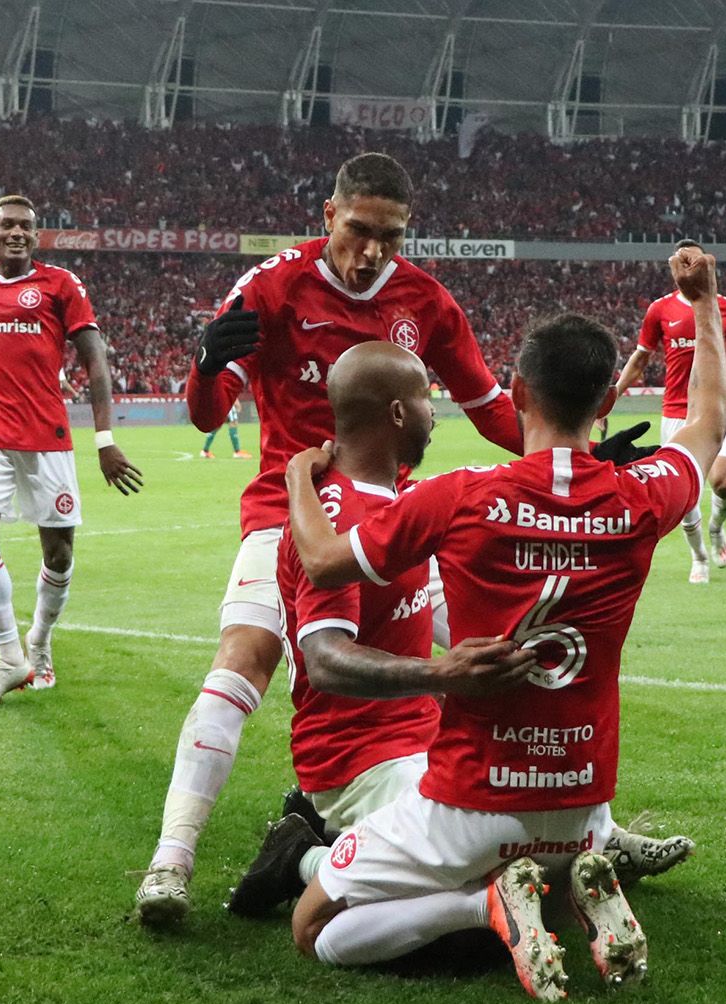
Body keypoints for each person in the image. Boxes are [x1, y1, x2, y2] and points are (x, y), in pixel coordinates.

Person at [279, 247, 726, 1001]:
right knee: (554, 846)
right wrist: (706, 303)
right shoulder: (642, 496)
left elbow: (324, 561)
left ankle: (485, 903)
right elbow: (708, 423)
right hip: (584, 809)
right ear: (605, 403)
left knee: (313, 927)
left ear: (517, 391)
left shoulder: (461, 496)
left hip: (472, 804)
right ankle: (569, 886)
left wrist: (298, 475)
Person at [132, 152, 525, 925]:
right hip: (290, 511)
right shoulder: (274, 286)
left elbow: (489, 408)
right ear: (328, 216)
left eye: (391, 236)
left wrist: (574, 452)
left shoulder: (427, 302)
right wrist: (206, 364)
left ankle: (577, 826)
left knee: (504, 654)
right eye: (358, 230)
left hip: (390, 521)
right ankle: (170, 864)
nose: (372, 251)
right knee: (244, 656)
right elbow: (208, 415)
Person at [226, 341, 691, 920]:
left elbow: (484, 600)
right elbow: (324, 660)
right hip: (357, 754)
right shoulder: (337, 514)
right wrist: (440, 673)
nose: (436, 412)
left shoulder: (398, 502)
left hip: (425, 738)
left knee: (518, 830)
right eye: (427, 398)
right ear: (399, 413)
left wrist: (589, 477)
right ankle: (302, 856)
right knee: (512, 880)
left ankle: (597, 837)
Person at [0, 194, 143, 705]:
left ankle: (40, 642)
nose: (16, 232)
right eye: (7, 225)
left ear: (36, 235)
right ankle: (9, 660)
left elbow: (95, 360)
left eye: (25, 226)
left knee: (59, 553)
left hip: (46, 436)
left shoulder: (61, 285)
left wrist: (104, 439)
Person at [613, 240, 726, 583]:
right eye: (683, 260)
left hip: (719, 405)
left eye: (695, 260)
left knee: (722, 482)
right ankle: (699, 557)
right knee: (684, 496)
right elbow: (640, 358)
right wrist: (613, 394)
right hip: (676, 410)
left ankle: (717, 527)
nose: (689, 266)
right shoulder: (659, 310)